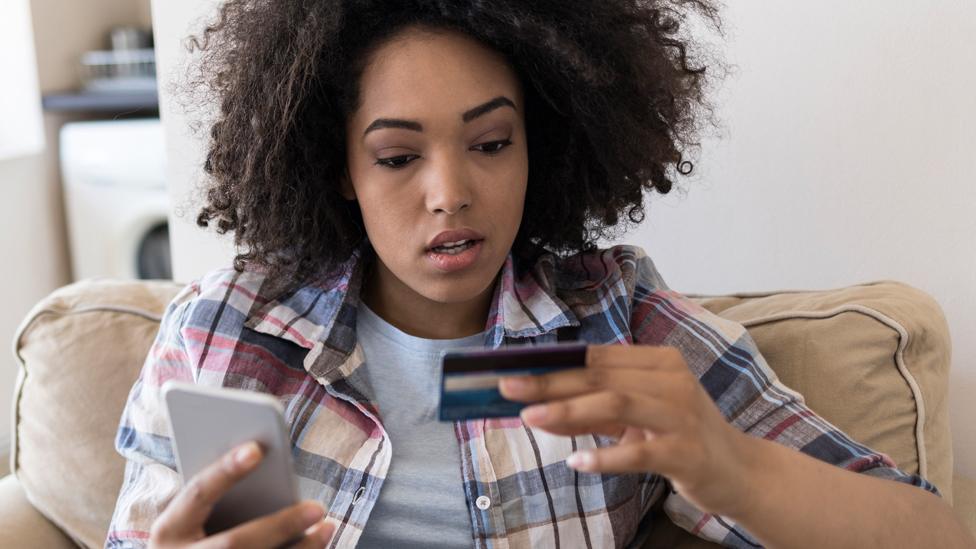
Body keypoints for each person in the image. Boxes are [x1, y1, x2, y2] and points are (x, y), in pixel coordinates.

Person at [106, 1, 975, 548]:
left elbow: (929, 533)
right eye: (398, 156)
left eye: (490, 144)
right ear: (341, 170)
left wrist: (730, 465)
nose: (451, 194)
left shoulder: (614, 317)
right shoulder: (227, 328)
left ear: (542, 144)